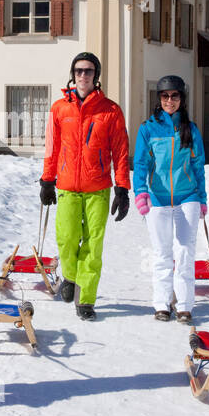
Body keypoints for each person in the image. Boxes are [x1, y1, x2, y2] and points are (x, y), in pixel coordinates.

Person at [39, 51, 131, 321]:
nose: (83, 76)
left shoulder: (111, 110)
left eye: (88, 71)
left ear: (96, 76)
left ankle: (86, 300)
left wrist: (122, 188)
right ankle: (69, 276)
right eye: (78, 71)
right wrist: (47, 180)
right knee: (67, 239)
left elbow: (121, 152)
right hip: (67, 186)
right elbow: (51, 148)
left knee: (93, 245)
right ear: (72, 74)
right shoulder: (59, 108)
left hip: (98, 188)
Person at [132, 75, 207, 324]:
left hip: (188, 196)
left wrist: (202, 197)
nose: (169, 100)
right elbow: (141, 163)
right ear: (159, 98)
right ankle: (162, 304)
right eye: (165, 96)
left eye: (175, 96)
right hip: (158, 198)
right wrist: (141, 192)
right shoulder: (148, 128)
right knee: (163, 253)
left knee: (185, 251)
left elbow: (198, 165)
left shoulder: (190, 128)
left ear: (182, 99)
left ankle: (184, 305)